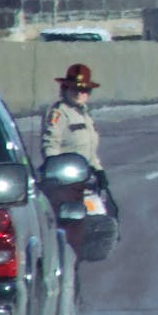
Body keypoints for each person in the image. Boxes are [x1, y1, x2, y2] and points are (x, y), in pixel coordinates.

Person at [41, 63, 116, 215]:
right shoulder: (58, 113)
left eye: (84, 90)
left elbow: (89, 150)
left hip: (86, 179)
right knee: (71, 217)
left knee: (108, 213)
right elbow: (50, 145)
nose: (79, 93)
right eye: (74, 88)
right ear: (65, 89)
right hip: (66, 181)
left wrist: (99, 170)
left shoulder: (84, 115)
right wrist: (55, 173)